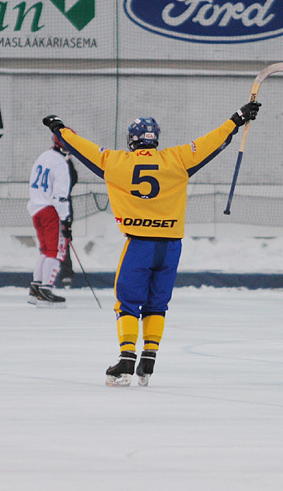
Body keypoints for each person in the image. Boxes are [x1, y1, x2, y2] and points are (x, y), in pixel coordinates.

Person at [42, 102, 261, 386]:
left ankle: (126, 361)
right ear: (155, 138)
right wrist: (238, 119)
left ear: (132, 140)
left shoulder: (115, 162)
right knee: (157, 304)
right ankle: (149, 360)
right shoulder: (177, 159)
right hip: (170, 247)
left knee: (128, 303)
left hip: (139, 245)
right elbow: (213, 141)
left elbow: (82, 147)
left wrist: (58, 128)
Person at [26, 131, 75, 307]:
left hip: (36, 208)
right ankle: (45, 291)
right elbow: (60, 195)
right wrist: (66, 219)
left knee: (45, 250)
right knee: (55, 251)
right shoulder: (61, 163)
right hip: (50, 210)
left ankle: (35, 288)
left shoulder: (43, 156)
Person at [56, 156, 78, 287]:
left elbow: (73, 179)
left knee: (63, 240)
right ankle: (48, 273)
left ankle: (66, 272)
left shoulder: (66, 162)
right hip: (51, 207)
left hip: (64, 207)